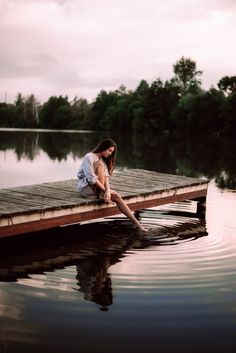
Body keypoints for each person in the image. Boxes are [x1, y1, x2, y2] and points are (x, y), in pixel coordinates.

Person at [77, 139, 147, 232]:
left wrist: (108, 191)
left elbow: (106, 177)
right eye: (109, 150)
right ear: (103, 148)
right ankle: (103, 195)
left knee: (116, 196)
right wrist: (105, 191)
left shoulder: (101, 159)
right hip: (86, 188)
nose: (110, 154)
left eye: (112, 152)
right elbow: (91, 179)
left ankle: (138, 224)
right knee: (100, 165)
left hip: (98, 189)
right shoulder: (89, 157)